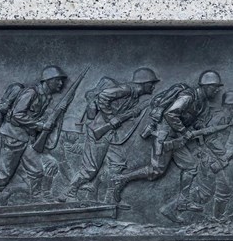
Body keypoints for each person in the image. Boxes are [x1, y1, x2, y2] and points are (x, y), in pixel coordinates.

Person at [110, 70, 224, 223]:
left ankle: (183, 201)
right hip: (165, 137)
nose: (217, 90)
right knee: (156, 171)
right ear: (205, 86)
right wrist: (184, 130)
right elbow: (170, 114)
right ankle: (122, 179)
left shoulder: (202, 103)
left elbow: (191, 120)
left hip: (177, 138)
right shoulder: (188, 96)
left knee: (190, 166)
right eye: (214, 86)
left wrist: (199, 128)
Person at [58, 68, 160, 203]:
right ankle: (68, 192)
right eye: (151, 83)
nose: (153, 86)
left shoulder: (134, 97)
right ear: (143, 83)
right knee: (90, 169)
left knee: (118, 163)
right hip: (99, 132)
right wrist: (110, 117)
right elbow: (103, 96)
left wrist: (132, 114)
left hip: (111, 135)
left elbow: (121, 112)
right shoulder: (126, 89)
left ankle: (110, 198)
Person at [0, 66, 67, 206]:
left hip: (26, 138)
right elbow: (17, 115)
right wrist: (40, 125)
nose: (61, 84)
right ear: (48, 80)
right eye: (58, 80)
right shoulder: (31, 93)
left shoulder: (46, 97)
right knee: (5, 174)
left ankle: (36, 198)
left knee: (37, 168)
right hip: (13, 136)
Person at [190, 90, 233, 222]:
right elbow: (209, 138)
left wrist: (231, 149)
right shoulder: (221, 117)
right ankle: (174, 206)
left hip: (212, 157)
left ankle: (218, 218)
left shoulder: (226, 117)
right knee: (206, 193)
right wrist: (226, 152)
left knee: (221, 189)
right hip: (209, 159)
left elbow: (218, 139)